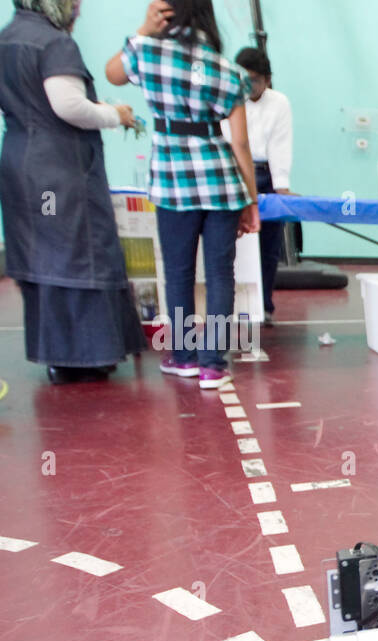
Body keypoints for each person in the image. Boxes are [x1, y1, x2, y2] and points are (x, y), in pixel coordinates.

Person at [105, 0, 259, 390]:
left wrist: (143, 29)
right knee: (221, 275)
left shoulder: (148, 51)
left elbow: (112, 75)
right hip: (221, 184)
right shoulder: (227, 69)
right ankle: (213, 365)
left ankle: (185, 357)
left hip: (174, 183)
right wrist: (251, 201)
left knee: (178, 274)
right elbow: (240, 142)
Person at [0, 0, 143, 384]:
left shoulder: (6, 38)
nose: (78, 7)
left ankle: (58, 353)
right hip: (56, 172)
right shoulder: (53, 43)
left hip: (20, 165)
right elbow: (68, 106)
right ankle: (84, 355)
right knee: (74, 252)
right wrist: (117, 115)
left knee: (41, 253)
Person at [229, 46, 291, 327]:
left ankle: (263, 305)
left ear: (267, 79)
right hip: (232, 172)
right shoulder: (228, 98)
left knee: (269, 246)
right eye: (245, 79)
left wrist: (282, 185)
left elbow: (280, 144)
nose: (250, 85)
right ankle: (229, 306)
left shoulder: (279, 103)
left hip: (264, 174)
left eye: (255, 79)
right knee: (229, 243)